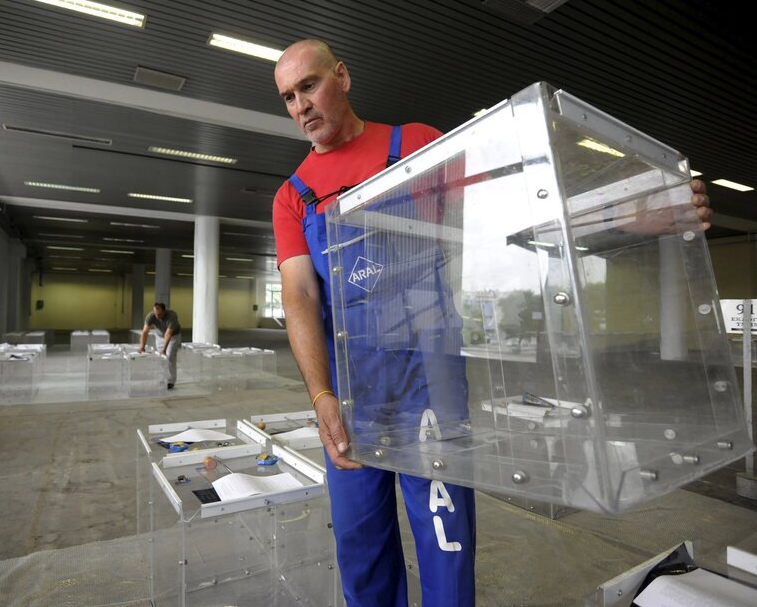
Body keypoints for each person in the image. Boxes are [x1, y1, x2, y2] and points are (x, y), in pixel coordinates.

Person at [271, 38, 712, 607]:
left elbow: (511, 209)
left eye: (309, 85)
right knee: (360, 544)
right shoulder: (294, 197)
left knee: (445, 536)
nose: (301, 105)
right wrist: (321, 394)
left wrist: (623, 213)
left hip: (430, 376)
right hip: (354, 390)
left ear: (343, 76)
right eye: (288, 97)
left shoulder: (417, 147)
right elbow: (300, 295)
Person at [138, 302, 181, 389]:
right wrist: (142, 346)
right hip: (160, 336)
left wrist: (164, 349)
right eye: (156, 314)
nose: (157, 316)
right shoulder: (150, 316)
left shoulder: (172, 316)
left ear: (164, 311)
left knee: (170, 356)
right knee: (161, 358)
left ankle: (171, 381)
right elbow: (145, 332)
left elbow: (168, 334)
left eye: (160, 314)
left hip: (173, 336)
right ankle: (162, 378)